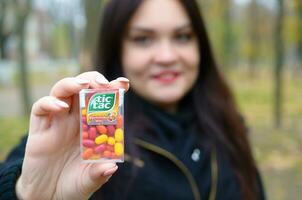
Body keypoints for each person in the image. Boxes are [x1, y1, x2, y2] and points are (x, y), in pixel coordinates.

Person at [0, 0, 266, 199]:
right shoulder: (82, 134)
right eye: (143, 39)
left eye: (182, 36)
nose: (166, 56)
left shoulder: (229, 126)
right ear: (118, 51)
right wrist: (27, 191)